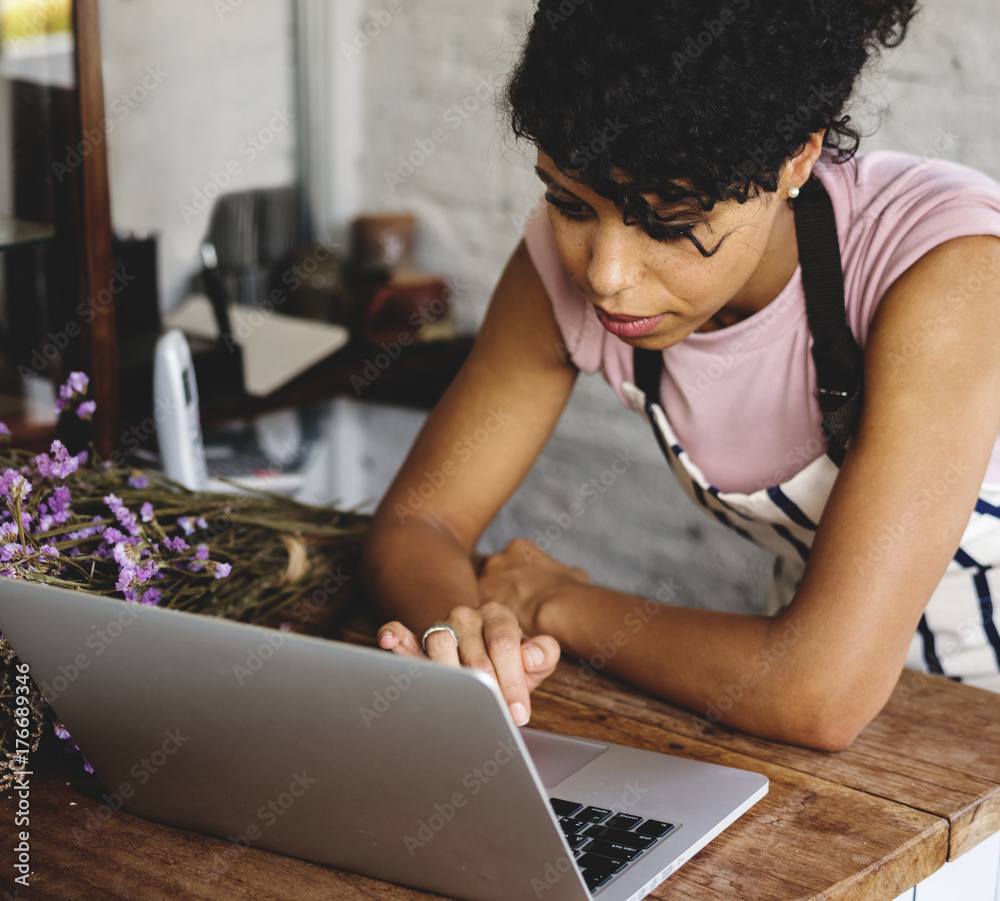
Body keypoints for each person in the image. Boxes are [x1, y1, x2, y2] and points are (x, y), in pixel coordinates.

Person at [359, 0, 1000, 751]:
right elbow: (419, 523)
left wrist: (560, 604)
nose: (606, 276)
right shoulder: (570, 273)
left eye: (668, 221)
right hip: (847, 719)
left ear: (796, 156)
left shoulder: (948, 271)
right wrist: (465, 632)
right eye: (570, 203)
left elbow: (820, 692)